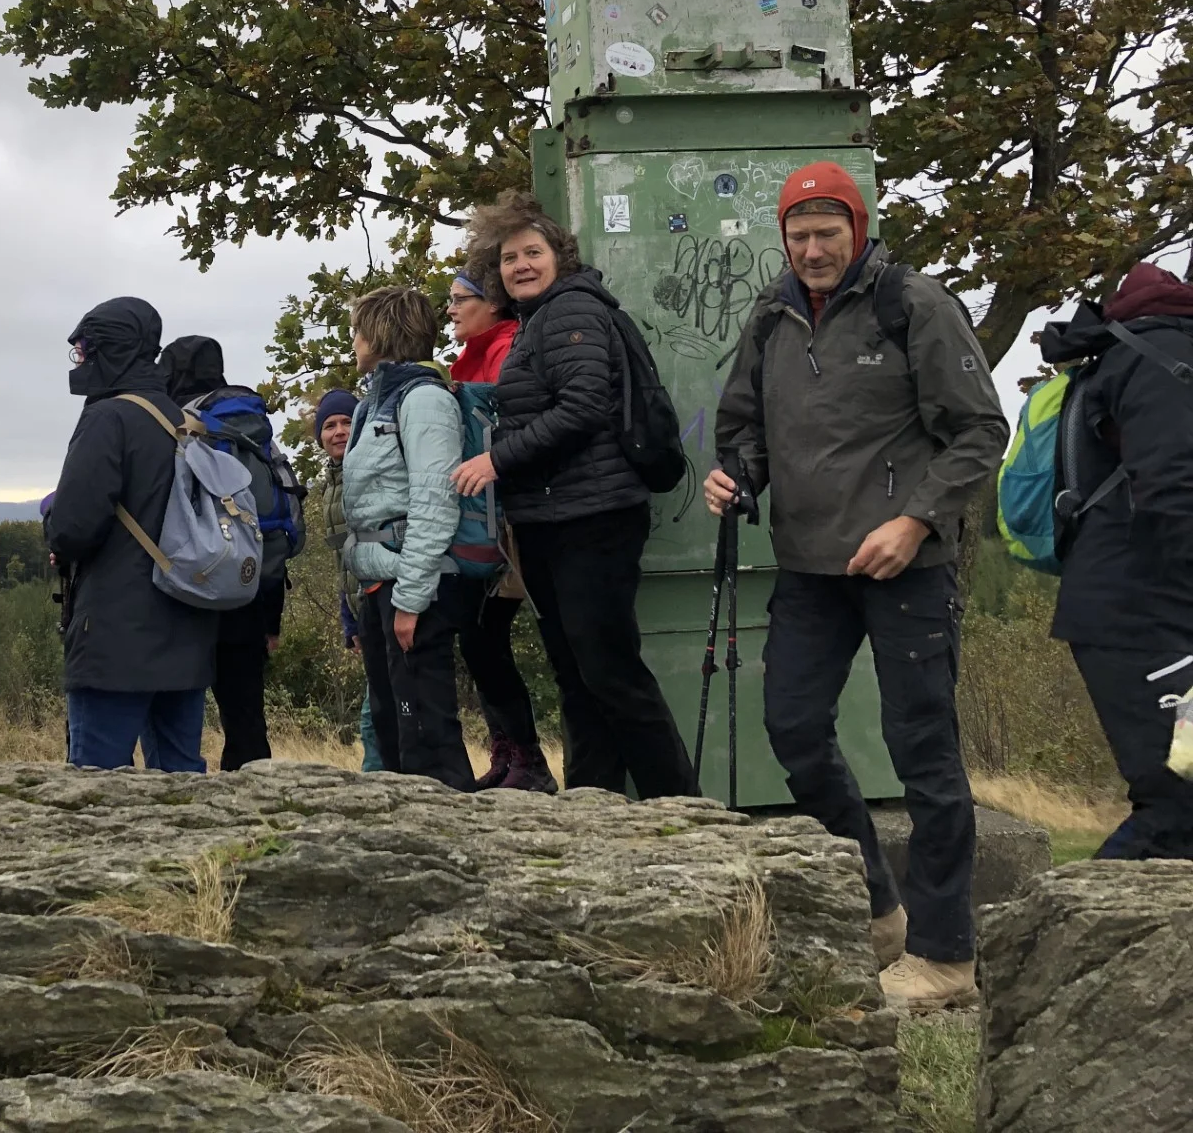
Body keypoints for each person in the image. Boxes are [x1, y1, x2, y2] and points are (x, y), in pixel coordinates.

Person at [708, 162, 1008, 1011]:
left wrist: (915, 520)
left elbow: (981, 430)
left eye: (826, 232)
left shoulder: (913, 304)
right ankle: (880, 906)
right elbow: (743, 428)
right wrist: (737, 479)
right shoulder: (768, 316)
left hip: (905, 563)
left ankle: (946, 955)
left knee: (924, 752)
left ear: (857, 227)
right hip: (808, 565)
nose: (812, 249)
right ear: (783, 237)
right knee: (792, 727)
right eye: (798, 235)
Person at [453, 193, 698, 801]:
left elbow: (583, 407)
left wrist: (496, 459)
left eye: (532, 252)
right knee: (579, 674)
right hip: (554, 518)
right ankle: (595, 800)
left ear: (558, 257)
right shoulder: (541, 320)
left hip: (593, 519)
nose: (521, 266)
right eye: (509, 259)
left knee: (609, 671)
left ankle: (682, 805)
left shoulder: (569, 312)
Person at [1042, 261, 1193, 860]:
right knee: (1178, 803)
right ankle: (1054, 942)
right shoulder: (1164, 359)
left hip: (1150, 609)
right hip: (1140, 617)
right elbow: (1175, 491)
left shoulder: (1159, 351)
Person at [48, 298, 218, 771]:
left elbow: (73, 528)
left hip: (114, 639)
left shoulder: (108, 417)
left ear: (108, 350)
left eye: (84, 348)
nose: (80, 359)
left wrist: (53, 529)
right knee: (181, 780)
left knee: (96, 787)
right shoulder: (186, 421)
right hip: (187, 625)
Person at [344, 286, 476, 791]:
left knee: (427, 731)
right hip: (379, 581)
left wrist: (412, 598)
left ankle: (458, 843)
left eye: (358, 329)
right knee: (394, 725)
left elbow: (434, 500)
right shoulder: (370, 403)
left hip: (414, 585)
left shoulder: (423, 400)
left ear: (379, 332)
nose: (353, 340)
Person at [446, 262, 556, 793]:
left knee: (484, 636)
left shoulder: (509, 350)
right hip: (485, 519)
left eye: (459, 299)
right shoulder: (469, 359)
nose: (450, 309)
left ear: (492, 304)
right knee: (478, 638)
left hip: (511, 520)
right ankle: (509, 753)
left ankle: (528, 760)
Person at [158, 335, 288, 770]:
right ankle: (256, 803)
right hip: (248, 590)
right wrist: (272, 620)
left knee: (175, 713)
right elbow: (267, 527)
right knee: (247, 715)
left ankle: (181, 797)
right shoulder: (251, 430)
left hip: (187, 590)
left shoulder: (178, 425)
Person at [313, 386, 381, 771]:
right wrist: (348, 619)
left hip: (386, 599)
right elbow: (343, 558)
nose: (338, 431)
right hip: (363, 607)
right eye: (329, 425)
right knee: (378, 712)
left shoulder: (367, 469)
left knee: (377, 717)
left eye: (345, 422)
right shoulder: (332, 482)